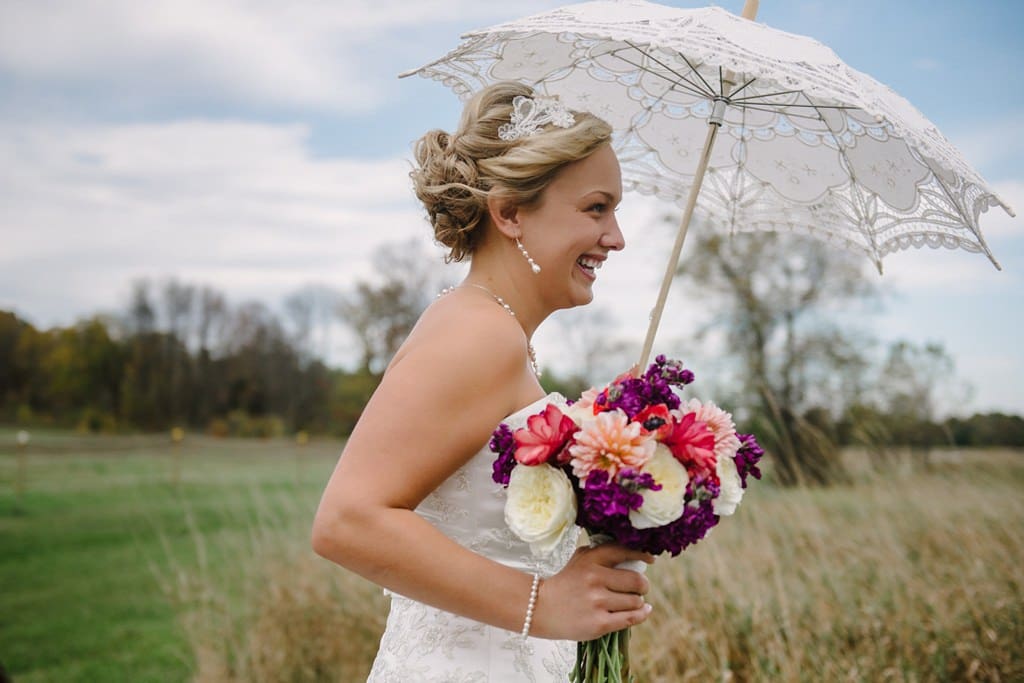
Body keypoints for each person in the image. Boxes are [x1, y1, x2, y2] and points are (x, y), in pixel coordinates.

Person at [311, 81, 653, 682]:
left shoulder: (496, 333)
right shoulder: (481, 334)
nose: (617, 236)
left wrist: (606, 432)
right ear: (510, 212)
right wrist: (542, 605)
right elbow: (347, 521)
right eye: (597, 207)